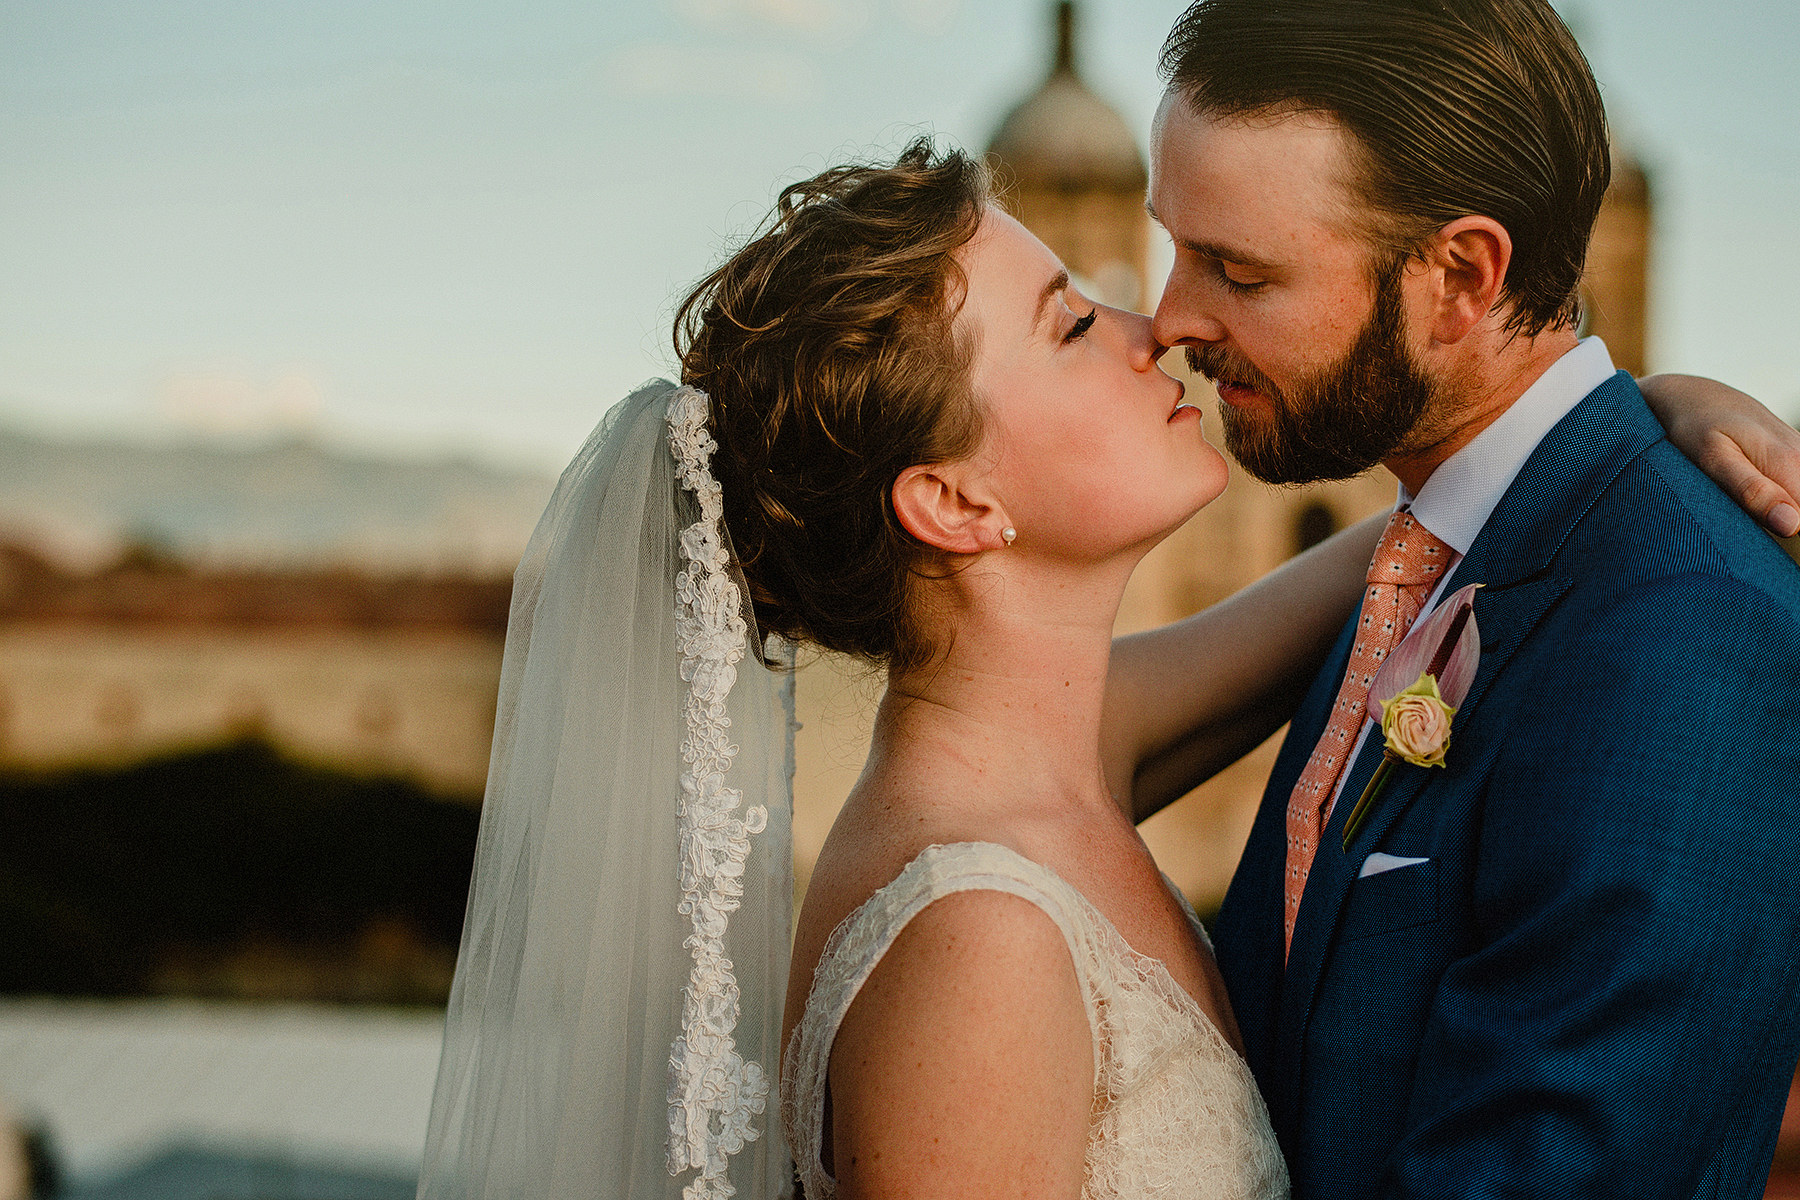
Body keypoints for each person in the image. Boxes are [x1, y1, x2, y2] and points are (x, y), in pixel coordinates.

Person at [414, 138, 1800, 1198]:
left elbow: (1454, 507)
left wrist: (1634, 411)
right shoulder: (973, 945)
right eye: (1076, 321)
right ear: (954, 503)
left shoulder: (1067, 752)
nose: (1164, 329)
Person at [1120, 1, 1800, 1197]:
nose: (1172, 318)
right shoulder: (1432, 557)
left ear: (1463, 276)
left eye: (1238, 269)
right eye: (1174, 246)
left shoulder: (1682, 633)